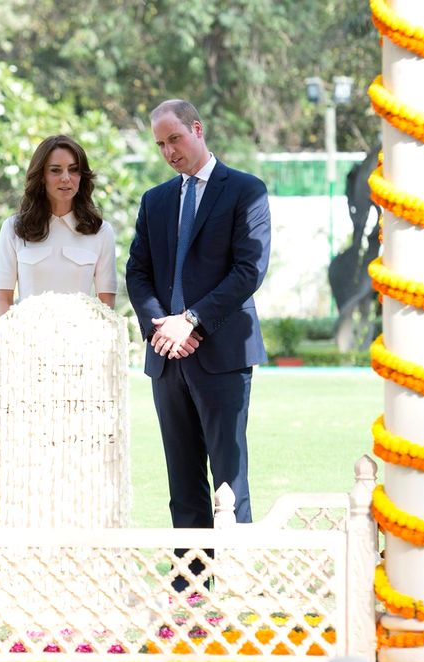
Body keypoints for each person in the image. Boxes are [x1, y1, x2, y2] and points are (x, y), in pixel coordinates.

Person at [125, 99, 271, 590]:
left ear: (198, 129)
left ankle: (237, 584)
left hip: (223, 356)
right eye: (160, 144)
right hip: (167, 359)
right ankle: (189, 590)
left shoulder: (246, 190)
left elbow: (248, 270)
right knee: (183, 482)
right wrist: (161, 329)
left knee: (230, 478)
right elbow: (137, 273)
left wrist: (191, 322)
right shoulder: (155, 200)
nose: (169, 151)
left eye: (175, 139)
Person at [0, 134, 118, 516]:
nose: (65, 178)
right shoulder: (14, 229)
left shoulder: (100, 232)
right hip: (28, 362)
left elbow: (106, 303)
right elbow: (3, 297)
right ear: (40, 176)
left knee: (75, 455)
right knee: (26, 455)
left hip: (80, 366)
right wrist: (17, 345)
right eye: (56, 170)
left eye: (73, 170)